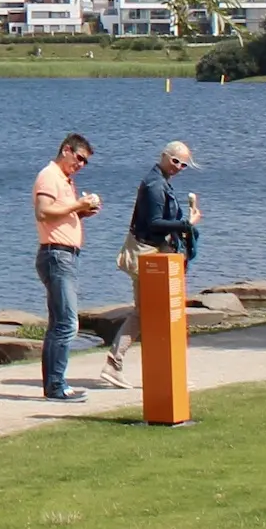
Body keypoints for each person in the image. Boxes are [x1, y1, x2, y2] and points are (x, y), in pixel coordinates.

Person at [104, 141, 202, 388]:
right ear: (164, 157)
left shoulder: (159, 181)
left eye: (184, 164)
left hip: (153, 251)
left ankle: (162, 370)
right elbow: (155, 223)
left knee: (152, 312)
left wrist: (183, 225)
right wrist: (186, 224)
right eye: (176, 161)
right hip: (146, 254)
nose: (179, 167)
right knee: (147, 312)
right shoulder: (154, 185)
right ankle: (118, 364)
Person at [33, 133, 102, 401]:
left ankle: (54, 384)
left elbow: (57, 212)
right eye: (79, 158)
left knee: (59, 323)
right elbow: (43, 210)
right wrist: (78, 204)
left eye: (85, 162)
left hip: (64, 255)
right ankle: (56, 386)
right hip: (56, 255)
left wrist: (81, 211)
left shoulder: (64, 180)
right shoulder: (49, 176)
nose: (81, 165)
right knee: (67, 324)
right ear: (66, 150)